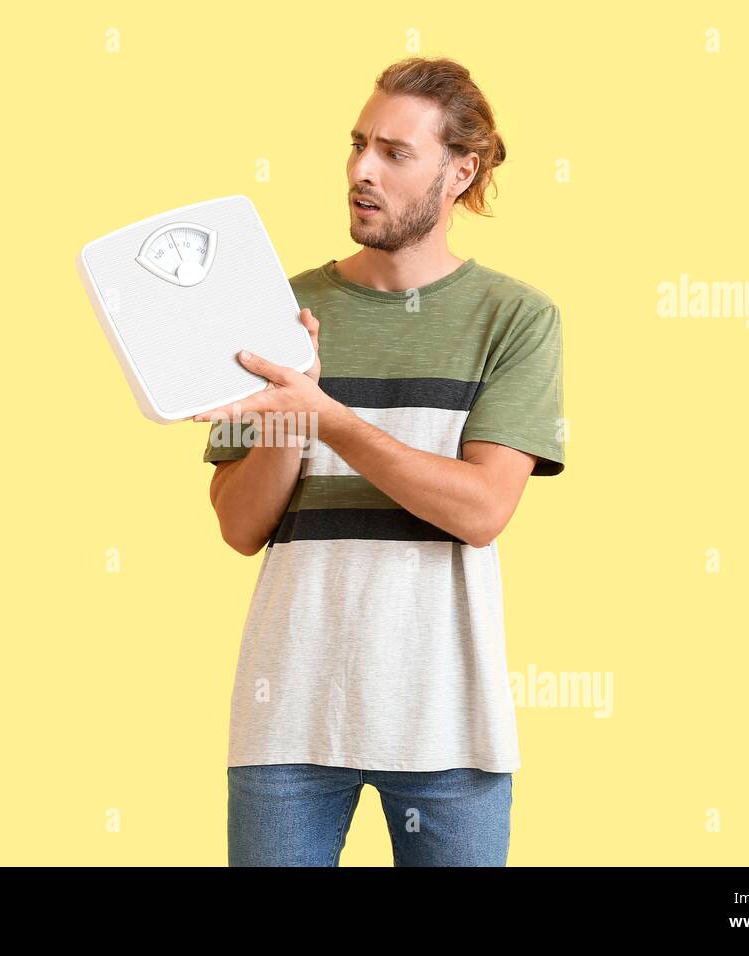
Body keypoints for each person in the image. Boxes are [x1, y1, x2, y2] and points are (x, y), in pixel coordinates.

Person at [195, 56, 566, 867]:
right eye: (358, 145)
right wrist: (292, 419)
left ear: (459, 171)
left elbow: (479, 511)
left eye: (395, 152)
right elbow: (239, 525)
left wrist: (323, 414)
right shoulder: (273, 310)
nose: (362, 170)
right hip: (285, 713)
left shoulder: (517, 319)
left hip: (448, 722)